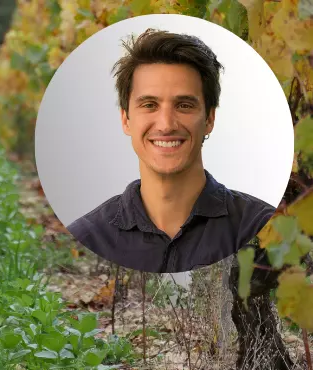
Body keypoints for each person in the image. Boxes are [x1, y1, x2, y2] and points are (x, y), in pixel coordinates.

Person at [66, 28, 276, 273]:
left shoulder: (261, 229)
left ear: (209, 119)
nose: (166, 124)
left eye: (184, 105)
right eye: (149, 105)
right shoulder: (88, 236)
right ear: (126, 120)